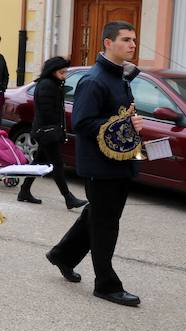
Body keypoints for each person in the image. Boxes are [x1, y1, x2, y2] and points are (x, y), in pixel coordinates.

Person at [46, 21, 144, 308]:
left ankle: (62, 255)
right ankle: (106, 284)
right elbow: (82, 123)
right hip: (101, 167)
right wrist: (125, 123)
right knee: (105, 224)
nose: (132, 45)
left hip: (119, 163)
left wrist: (130, 125)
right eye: (126, 39)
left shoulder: (119, 77)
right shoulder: (95, 80)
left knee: (97, 215)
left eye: (134, 40)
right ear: (107, 43)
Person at [16, 56, 88, 209]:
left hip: (46, 131)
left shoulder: (52, 84)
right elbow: (47, 112)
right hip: (47, 132)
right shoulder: (48, 85)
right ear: (52, 71)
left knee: (38, 162)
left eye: (65, 72)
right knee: (57, 164)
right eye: (62, 73)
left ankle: (24, 191)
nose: (64, 76)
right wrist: (57, 129)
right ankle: (68, 198)